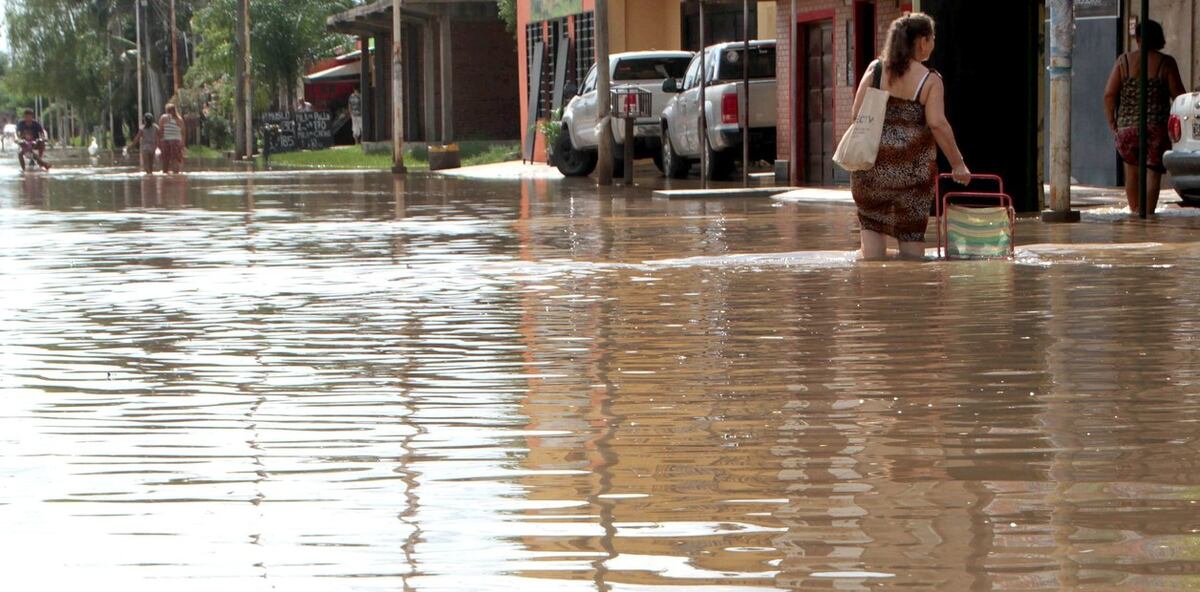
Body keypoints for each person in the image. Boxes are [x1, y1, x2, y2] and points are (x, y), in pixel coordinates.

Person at [849, 13, 969, 260]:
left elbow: (856, 115)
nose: (933, 43)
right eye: (932, 38)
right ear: (923, 42)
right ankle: (912, 294)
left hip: (870, 170)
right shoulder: (930, 80)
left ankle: (872, 292)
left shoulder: (876, 69)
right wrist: (958, 164)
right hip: (913, 177)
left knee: (871, 233)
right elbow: (937, 123)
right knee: (912, 238)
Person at [1104, 19, 1186, 215]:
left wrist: (1112, 122)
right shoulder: (1166, 63)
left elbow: (1109, 95)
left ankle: (1134, 212)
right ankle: (1148, 214)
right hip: (1156, 128)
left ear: (1138, 38)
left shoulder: (1123, 61)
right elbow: (1179, 96)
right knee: (1152, 172)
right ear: (1159, 39)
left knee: (1131, 171)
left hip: (1127, 128)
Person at [158, 103, 186, 174]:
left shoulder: (164, 117)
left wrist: (159, 141)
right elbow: (183, 132)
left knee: (165, 160)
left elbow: (160, 130)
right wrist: (182, 143)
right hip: (176, 141)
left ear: (166, 110)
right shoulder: (179, 119)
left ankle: (165, 175)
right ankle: (175, 175)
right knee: (175, 160)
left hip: (166, 141)